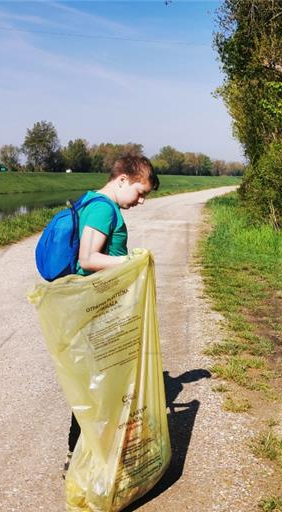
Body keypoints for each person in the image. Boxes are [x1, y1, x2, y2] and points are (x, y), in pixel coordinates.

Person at [65, 154, 160, 472]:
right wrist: (133, 262)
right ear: (123, 180)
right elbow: (88, 258)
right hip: (97, 308)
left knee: (102, 383)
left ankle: (93, 452)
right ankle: (78, 455)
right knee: (98, 384)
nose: (141, 201)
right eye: (140, 192)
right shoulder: (103, 207)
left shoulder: (98, 204)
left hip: (100, 305)